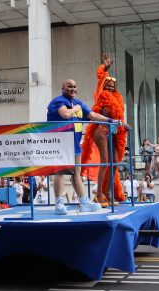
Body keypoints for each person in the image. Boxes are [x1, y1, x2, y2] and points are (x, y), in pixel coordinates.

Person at [47, 78, 117, 214]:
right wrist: (76, 109)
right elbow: (66, 114)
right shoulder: (58, 102)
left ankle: (84, 202)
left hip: (75, 145)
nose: (73, 88)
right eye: (69, 86)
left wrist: (110, 120)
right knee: (60, 173)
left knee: (76, 174)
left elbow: (93, 115)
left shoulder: (78, 103)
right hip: (60, 144)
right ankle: (59, 203)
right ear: (63, 88)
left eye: (74, 86)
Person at [80, 54, 130, 206]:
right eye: (107, 85)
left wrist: (124, 125)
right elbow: (101, 79)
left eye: (112, 86)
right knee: (105, 161)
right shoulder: (102, 96)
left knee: (114, 162)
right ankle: (99, 194)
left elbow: (118, 119)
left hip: (113, 132)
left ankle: (108, 192)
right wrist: (104, 69)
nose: (109, 87)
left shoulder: (118, 101)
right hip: (101, 131)